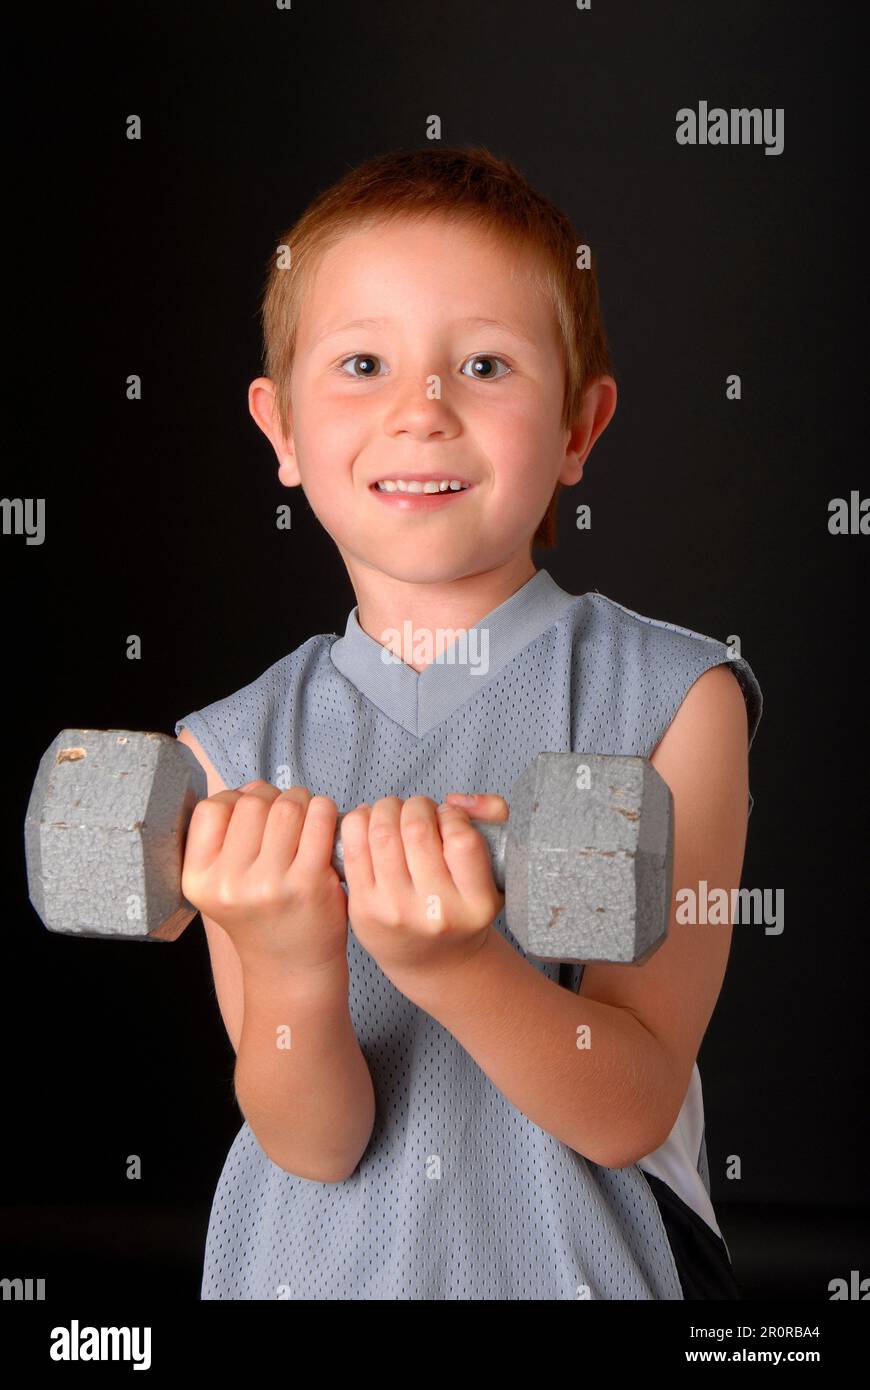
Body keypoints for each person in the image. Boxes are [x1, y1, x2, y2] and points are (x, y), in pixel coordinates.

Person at [175, 146, 762, 1300]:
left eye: (484, 364)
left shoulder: (674, 702)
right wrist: (294, 970)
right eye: (362, 364)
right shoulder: (228, 754)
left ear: (580, 425)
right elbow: (314, 1142)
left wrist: (458, 966)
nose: (422, 410)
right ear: (281, 429)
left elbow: (632, 1103)